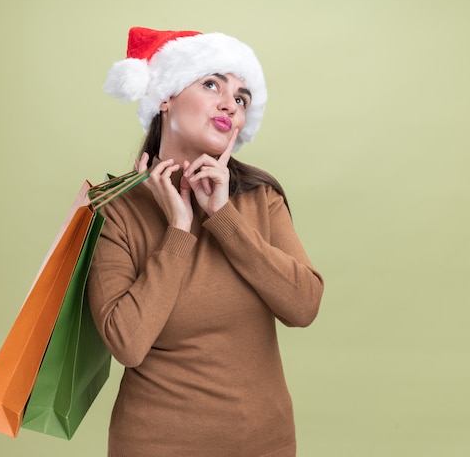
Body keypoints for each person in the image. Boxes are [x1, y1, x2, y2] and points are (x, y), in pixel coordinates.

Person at [87, 26, 324, 457]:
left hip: (264, 443)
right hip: (155, 444)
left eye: (240, 98)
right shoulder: (116, 209)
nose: (229, 104)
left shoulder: (258, 196)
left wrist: (222, 218)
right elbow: (127, 343)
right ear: (166, 96)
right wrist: (178, 231)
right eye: (211, 83)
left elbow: (304, 306)